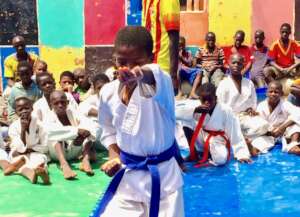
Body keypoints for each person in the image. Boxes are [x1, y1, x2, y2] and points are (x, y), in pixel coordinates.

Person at [94, 26, 184, 217]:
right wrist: (114, 158)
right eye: (122, 61)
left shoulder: (160, 85)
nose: (127, 67)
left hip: (164, 180)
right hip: (130, 178)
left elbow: (153, 73)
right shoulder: (108, 92)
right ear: (114, 59)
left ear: (150, 59)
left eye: (137, 62)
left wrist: (140, 74)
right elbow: (107, 129)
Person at [176, 83, 251, 166]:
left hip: (217, 139)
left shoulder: (225, 110)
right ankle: (193, 154)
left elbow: (234, 132)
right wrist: (195, 110)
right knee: (186, 120)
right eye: (204, 100)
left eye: (210, 100)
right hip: (202, 135)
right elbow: (176, 114)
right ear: (199, 99)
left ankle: (209, 154)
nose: (207, 103)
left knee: (221, 160)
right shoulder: (197, 106)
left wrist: (241, 154)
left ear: (216, 98)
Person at [45, 90, 96, 179]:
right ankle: (64, 165)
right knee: (56, 137)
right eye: (56, 103)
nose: (60, 105)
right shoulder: (48, 117)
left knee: (88, 133)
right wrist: (76, 131)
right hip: (58, 153)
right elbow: (51, 132)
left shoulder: (72, 111)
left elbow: (87, 123)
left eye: (63, 102)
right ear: (51, 105)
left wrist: (84, 131)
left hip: (75, 149)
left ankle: (85, 159)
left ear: (67, 102)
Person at [7, 97, 49, 184]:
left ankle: (38, 171)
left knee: (40, 159)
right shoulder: (13, 127)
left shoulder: (40, 124)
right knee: (19, 159)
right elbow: (19, 149)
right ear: (16, 112)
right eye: (20, 109)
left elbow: (45, 146)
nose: (24, 111)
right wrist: (23, 129)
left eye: (27, 108)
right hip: (19, 154)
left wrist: (29, 149)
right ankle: (30, 171)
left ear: (32, 108)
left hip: (35, 152)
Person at [253, 81, 300, 155]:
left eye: (276, 92)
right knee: (258, 143)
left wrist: (282, 127)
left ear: (281, 93)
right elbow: (259, 125)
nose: (273, 94)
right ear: (266, 93)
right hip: (268, 134)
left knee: (295, 123)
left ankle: (293, 144)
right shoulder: (261, 106)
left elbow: (298, 113)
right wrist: (270, 132)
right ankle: (254, 149)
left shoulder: (285, 104)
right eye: (270, 91)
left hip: (285, 133)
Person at [142, 0, 180, 88]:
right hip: (147, 64)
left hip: (162, 68)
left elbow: (173, 37)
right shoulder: (145, 1)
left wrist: (173, 75)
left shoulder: (168, 2)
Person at [264, 23, 300, 94]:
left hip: (291, 69)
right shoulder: (275, 45)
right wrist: (280, 69)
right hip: (279, 69)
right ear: (280, 32)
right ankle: (276, 88)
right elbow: (270, 61)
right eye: (283, 32)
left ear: (290, 32)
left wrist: (291, 68)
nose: (284, 34)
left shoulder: (294, 44)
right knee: (266, 71)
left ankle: (297, 87)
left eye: (286, 32)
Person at [79, 73, 109, 143]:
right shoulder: (92, 99)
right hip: (96, 136)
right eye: (99, 88)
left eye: (105, 87)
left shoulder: (116, 98)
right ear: (95, 90)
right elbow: (82, 108)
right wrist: (104, 114)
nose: (102, 90)